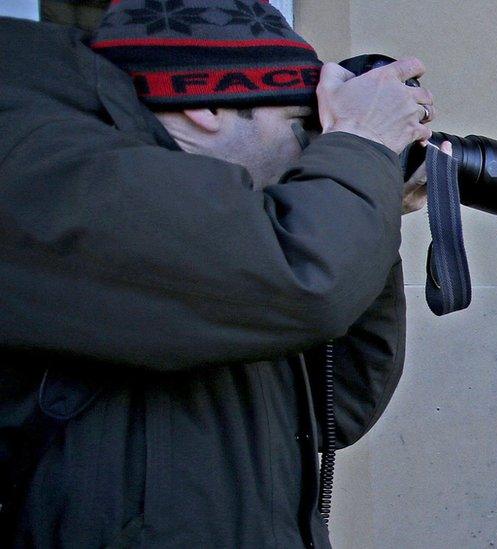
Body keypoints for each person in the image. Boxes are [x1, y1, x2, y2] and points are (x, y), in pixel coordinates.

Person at [0, 1, 445, 546]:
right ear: (206, 104)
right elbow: (306, 286)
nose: (306, 148)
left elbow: (338, 403)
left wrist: (370, 200)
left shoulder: (227, 240)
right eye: (296, 124)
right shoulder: (55, 174)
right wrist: (359, 151)